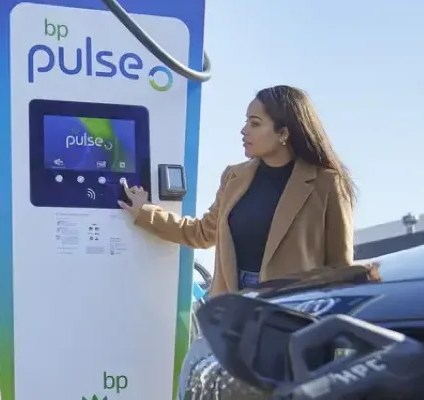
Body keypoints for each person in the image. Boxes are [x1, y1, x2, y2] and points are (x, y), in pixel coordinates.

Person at [118, 85, 356, 296]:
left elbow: (340, 267)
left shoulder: (327, 183)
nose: (244, 130)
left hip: (294, 310)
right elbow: (201, 232)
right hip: (233, 307)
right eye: (246, 121)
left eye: (255, 123)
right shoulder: (234, 177)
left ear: (283, 133)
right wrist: (146, 212)